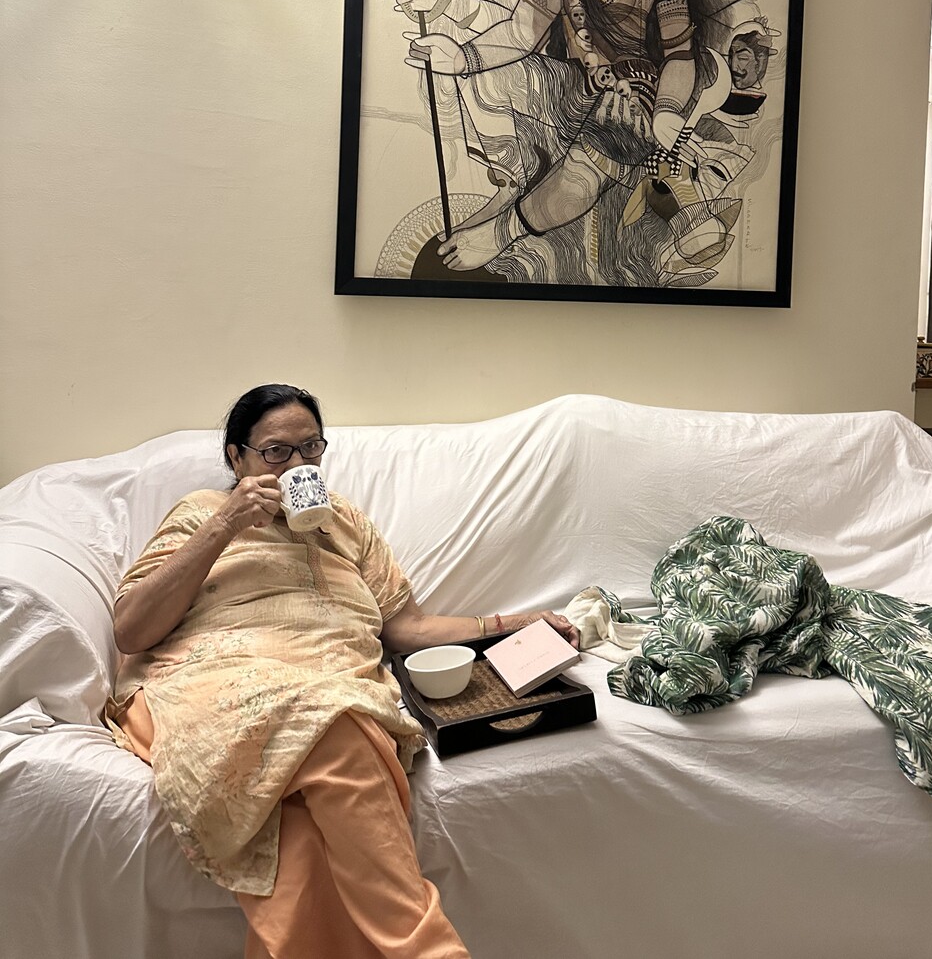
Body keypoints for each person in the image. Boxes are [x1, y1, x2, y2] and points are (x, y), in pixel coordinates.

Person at [106, 383, 578, 959]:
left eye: (311, 448)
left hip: (332, 682)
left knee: (299, 849)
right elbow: (131, 629)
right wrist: (225, 525)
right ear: (237, 458)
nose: (297, 465)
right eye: (276, 452)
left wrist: (517, 622)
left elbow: (407, 628)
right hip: (213, 683)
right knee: (338, 724)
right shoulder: (202, 513)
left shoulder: (346, 522)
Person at [403, 0, 766, 281]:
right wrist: (463, 57)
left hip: (644, 95)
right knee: (497, 83)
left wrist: (667, 113)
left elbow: (679, 55)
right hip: (579, 84)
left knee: (597, 152)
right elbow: (522, 30)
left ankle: (499, 234)